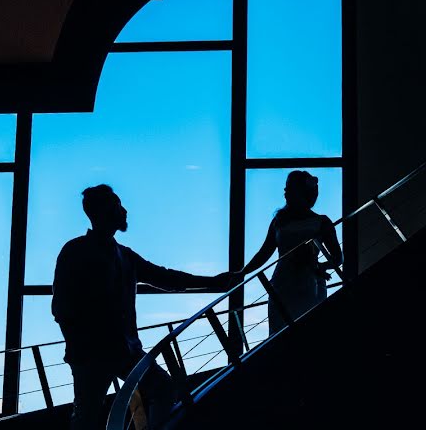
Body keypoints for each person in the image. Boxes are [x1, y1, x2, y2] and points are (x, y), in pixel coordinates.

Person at [52, 184, 233, 430]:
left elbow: (165, 278)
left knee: (90, 414)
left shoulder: (94, 252)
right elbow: (62, 306)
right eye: (117, 204)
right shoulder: (99, 253)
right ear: (104, 210)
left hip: (111, 350)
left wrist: (212, 282)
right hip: (102, 351)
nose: (124, 210)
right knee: (97, 411)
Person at [240, 170, 343, 335]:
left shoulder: (322, 221)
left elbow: (338, 258)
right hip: (282, 283)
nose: (285, 191)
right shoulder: (279, 221)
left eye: (289, 187)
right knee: (279, 332)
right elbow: (264, 253)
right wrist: (242, 272)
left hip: (310, 283)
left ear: (300, 191)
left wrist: (319, 267)